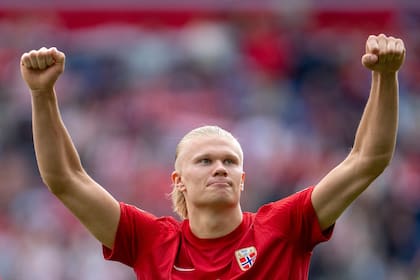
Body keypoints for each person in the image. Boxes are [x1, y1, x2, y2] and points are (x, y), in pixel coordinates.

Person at [20, 33, 405, 279]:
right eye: (204, 161)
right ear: (178, 181)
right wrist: (42, 95)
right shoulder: (149, 240)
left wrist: (385, 77)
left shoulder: (285, 227)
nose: (220, 168)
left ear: (243, 180)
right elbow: (66, 179)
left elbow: (367, 159)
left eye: (230, 161)